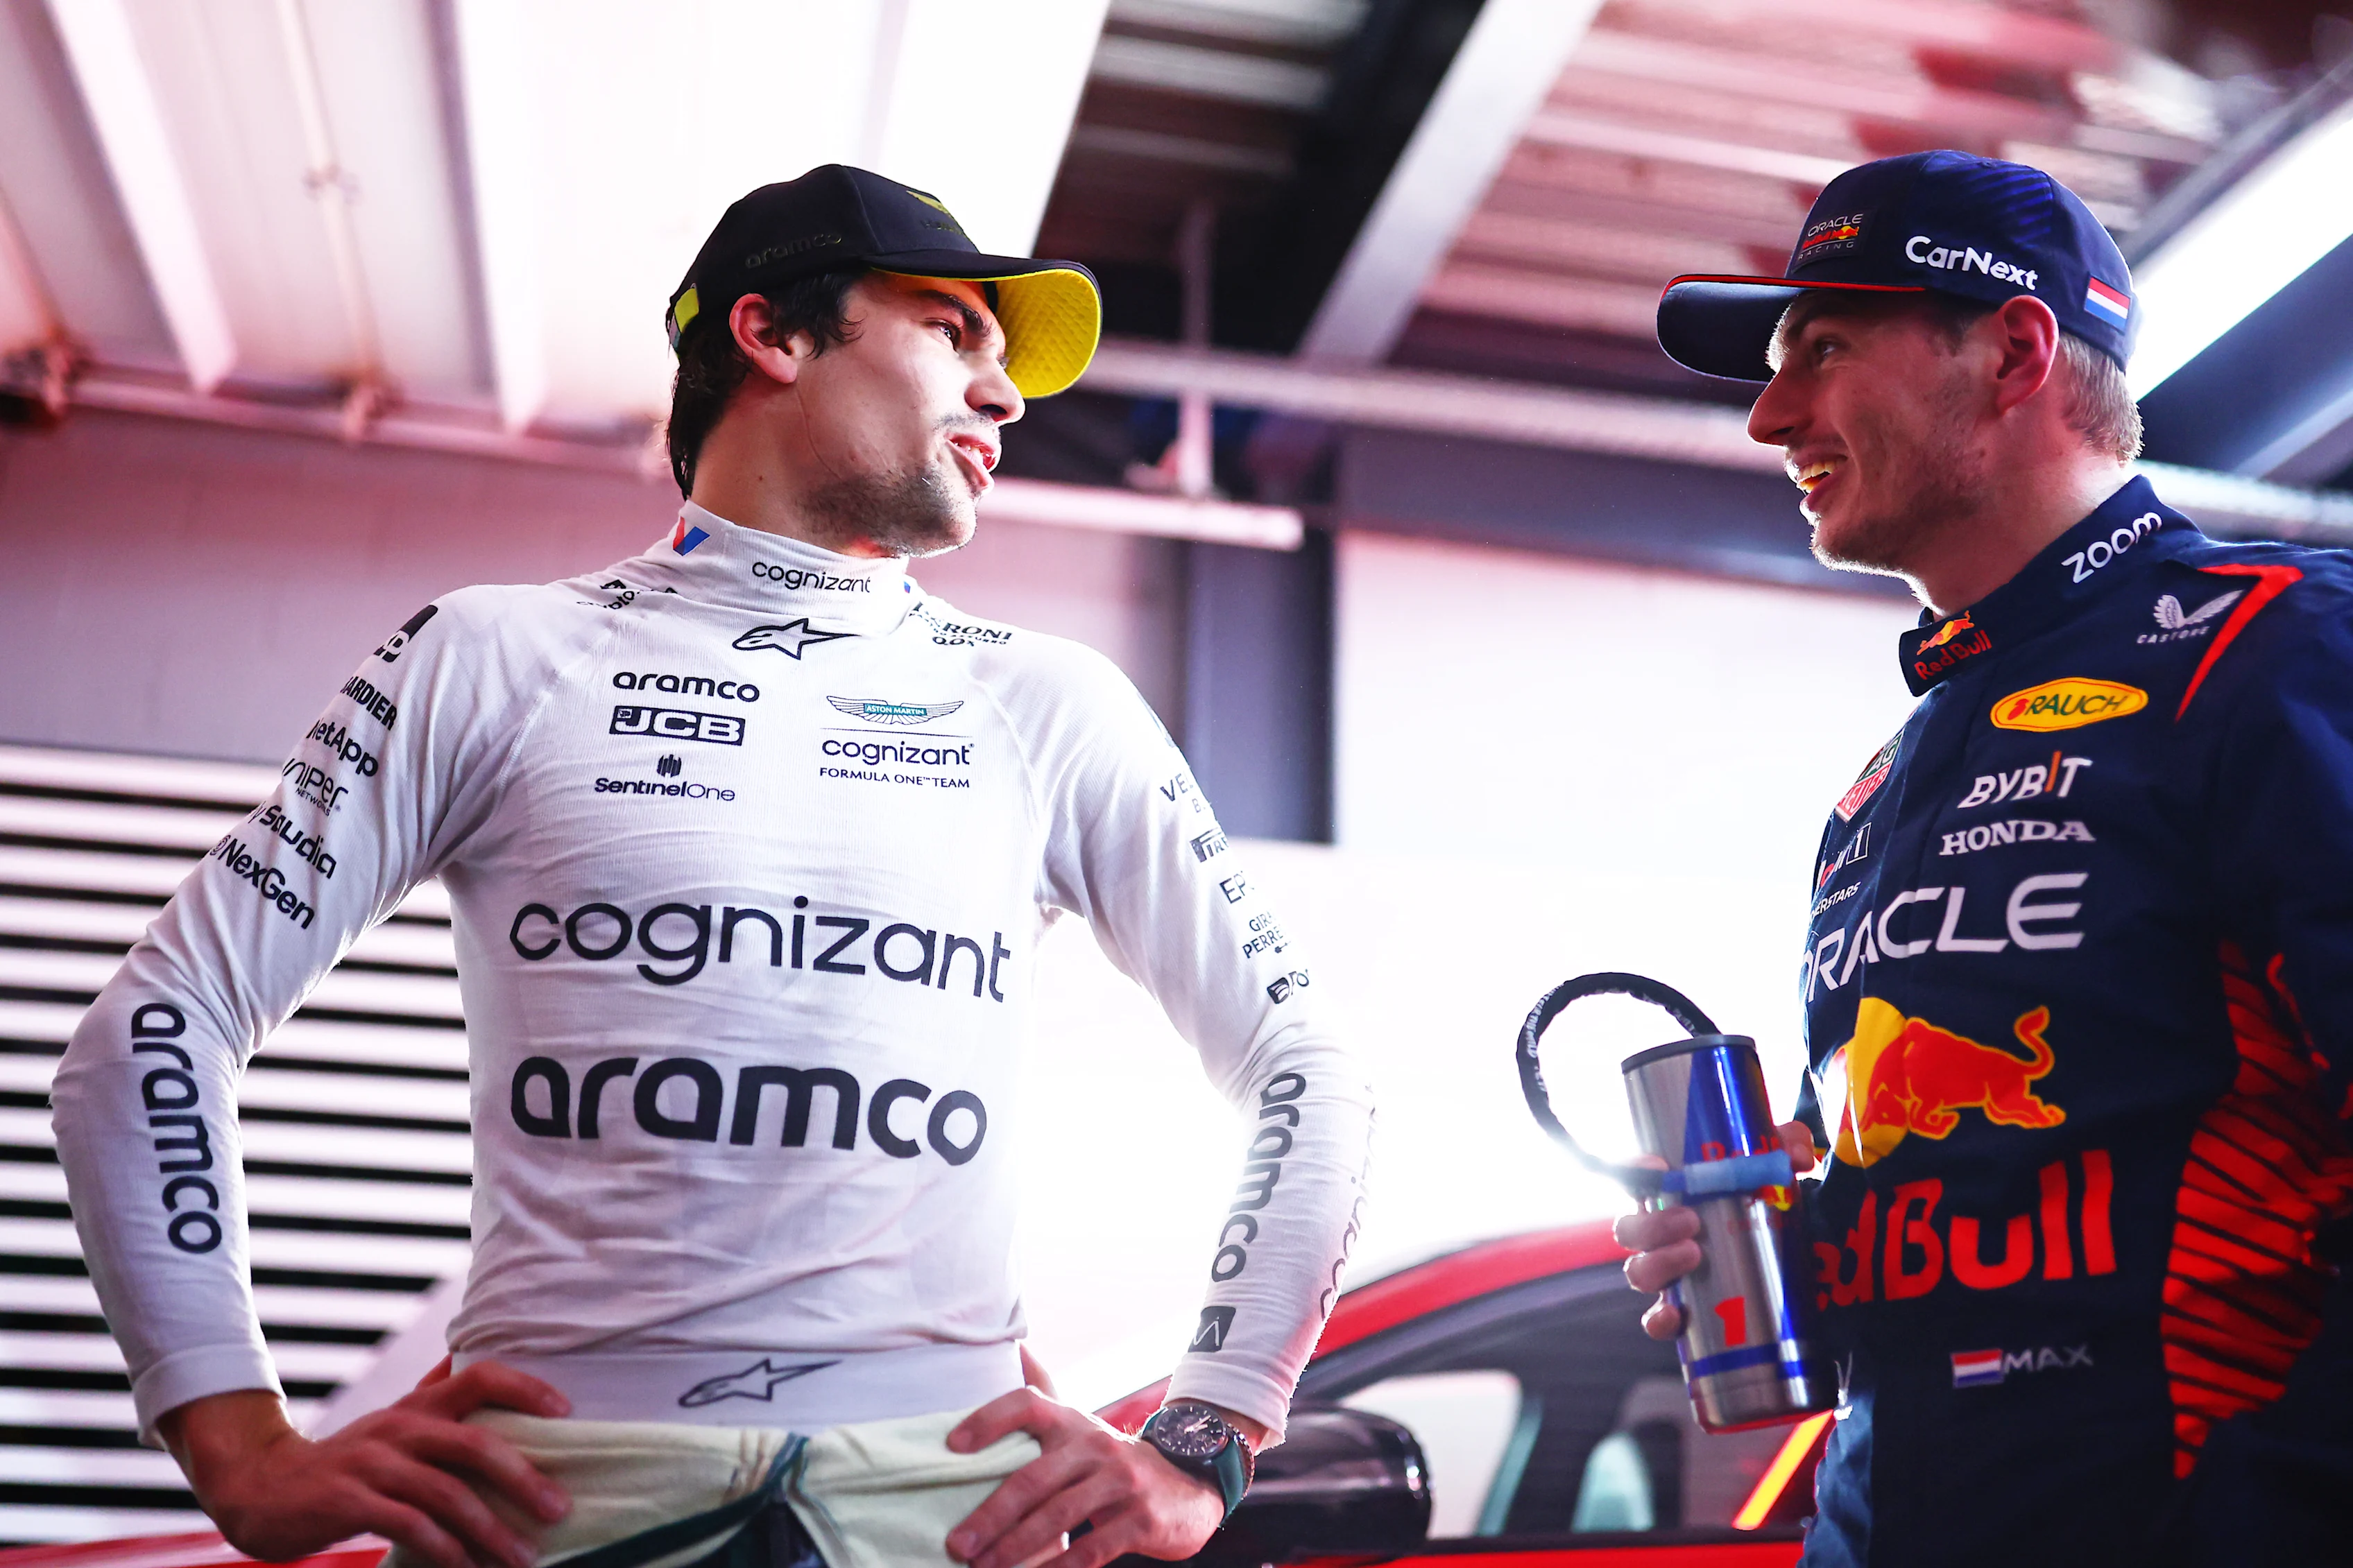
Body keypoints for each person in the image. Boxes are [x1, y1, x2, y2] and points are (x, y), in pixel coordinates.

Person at [50, 164, 1374, 1568]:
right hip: (554, 1499)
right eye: (951, 332)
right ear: (773, 333)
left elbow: (1311, 1063)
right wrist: (236, 1442)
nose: (1006, 397)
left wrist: (1209, 1431)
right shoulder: (490, 655)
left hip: (953, 1501)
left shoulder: (1053, 702)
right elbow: (149, 1033)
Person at [1621, 149, 2353, 1565]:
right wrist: (1810, 1246)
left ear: (2015, 351)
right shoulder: (1879, 784)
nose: (1770, 414)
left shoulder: (2275, 650)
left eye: (1820, 351)